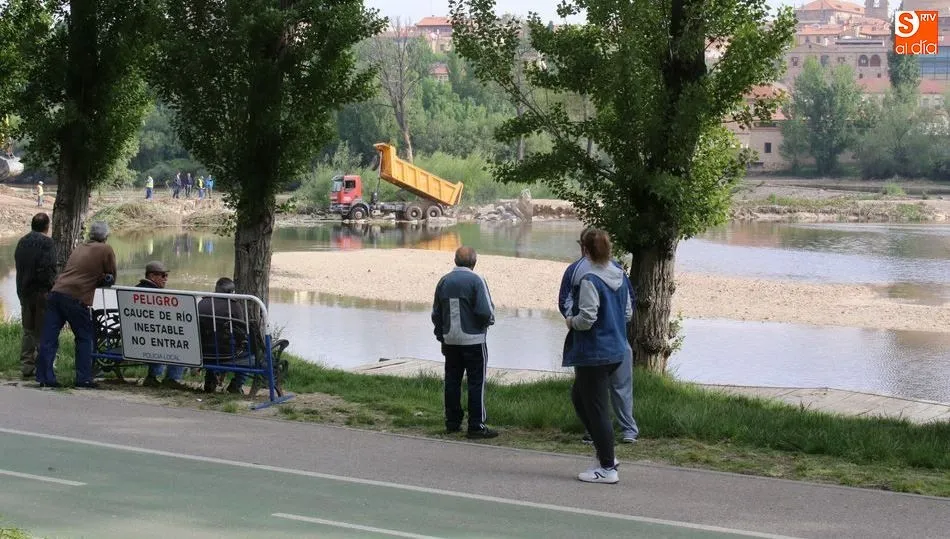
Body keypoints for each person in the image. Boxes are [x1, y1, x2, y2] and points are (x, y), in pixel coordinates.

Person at [563, 228, 632, 484]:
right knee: (580, 398)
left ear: (585, 249)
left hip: (594, 352)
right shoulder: (620, 275)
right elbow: (627, 314)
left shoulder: (590, 279)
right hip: (616, 349)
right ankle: (607, 455)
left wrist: (571, 321)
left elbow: (587, 319)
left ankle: (607, 467)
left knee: (596, 409)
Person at [35, 221, 116, 389]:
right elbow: (111, 275)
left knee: (48, 338)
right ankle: (83, 379)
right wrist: (102, 279)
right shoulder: (105, 249)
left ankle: (44, 378)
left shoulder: (79, 247)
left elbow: (78, 270)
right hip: (76, 297)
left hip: (56, 292)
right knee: (85, 337)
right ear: (106, 236)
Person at [431, 246, 498, 439]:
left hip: (450, 339)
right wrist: (486, 325)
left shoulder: (444, 281)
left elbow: (436, 313)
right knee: (476, 382)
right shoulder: (477, 280)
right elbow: (486, 311)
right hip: (474, 339)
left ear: (455, 260)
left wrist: (440, 334)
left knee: (452, 380)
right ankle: (476, 425)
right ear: (474, 262)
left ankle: (452, 421)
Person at [14, 213, 57, 380]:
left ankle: (26, 365)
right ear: (46, 226)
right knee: (43, 330)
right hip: (41, 292)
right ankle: (44, 365)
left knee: (28, 330)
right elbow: (49, 268)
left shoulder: (22, 241)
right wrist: (50, 289)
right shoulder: (47, 243)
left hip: (24, 292)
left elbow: (19, 266)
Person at [137, 261, 187, 389]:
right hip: (151, 340)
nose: (166, 279)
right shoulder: (157, 295)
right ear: (152, 276)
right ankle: (172, 378)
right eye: (163, 275)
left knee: (158, 338)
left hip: (137, 339)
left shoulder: (134, 290)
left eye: (166, 276)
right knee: (180, 343)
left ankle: (153, 376)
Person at [198, 277, 249, 394]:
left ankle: (210, 377)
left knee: (213, 344)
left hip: (202, 350)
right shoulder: (234, 306)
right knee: (251, 353)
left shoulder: (202, 303)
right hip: (227, 352)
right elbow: (240, 332)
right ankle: (236, 384)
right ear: (232, 292)